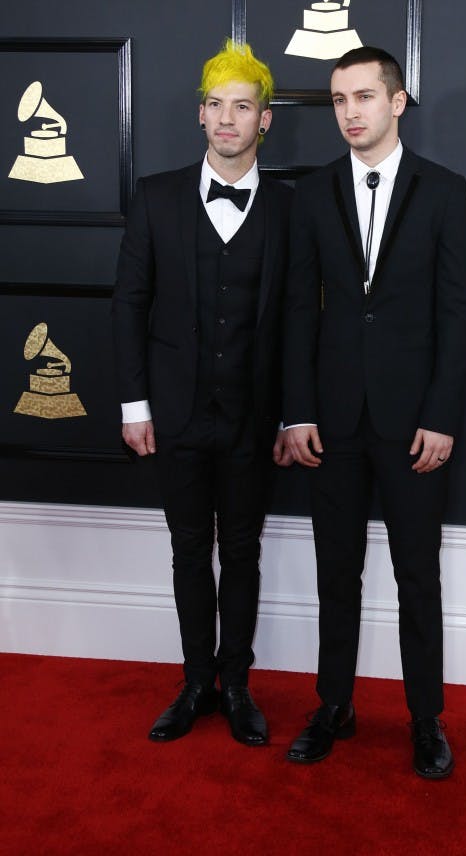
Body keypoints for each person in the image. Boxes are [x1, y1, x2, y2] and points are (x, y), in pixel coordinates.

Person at [283, 46, 466, 779]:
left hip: (412, 423)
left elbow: (457, 314)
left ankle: (424, 719)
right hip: (330, 419)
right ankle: (334, 704)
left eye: (363, 96)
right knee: (336, 570)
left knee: (416, 574)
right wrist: (295, 413)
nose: (349, 113)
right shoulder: (313, 192)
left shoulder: (443, 190)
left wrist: (442, 414)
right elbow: (300, 309)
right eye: (338, 100)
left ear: (397, 102)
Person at [112, 39, 292, 746]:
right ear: (200, 115)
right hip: (175, 414)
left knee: (242, 551)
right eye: (216, 106)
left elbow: (301, 318)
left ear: (263, 120)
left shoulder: (288, 207)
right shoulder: (155, 196)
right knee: (189, 549)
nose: (227, 119)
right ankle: (195, 683)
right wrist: (134, 404)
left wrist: (293, 413)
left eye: (241, 107)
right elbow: (128, 304)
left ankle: (238, 684)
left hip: (252, 417)